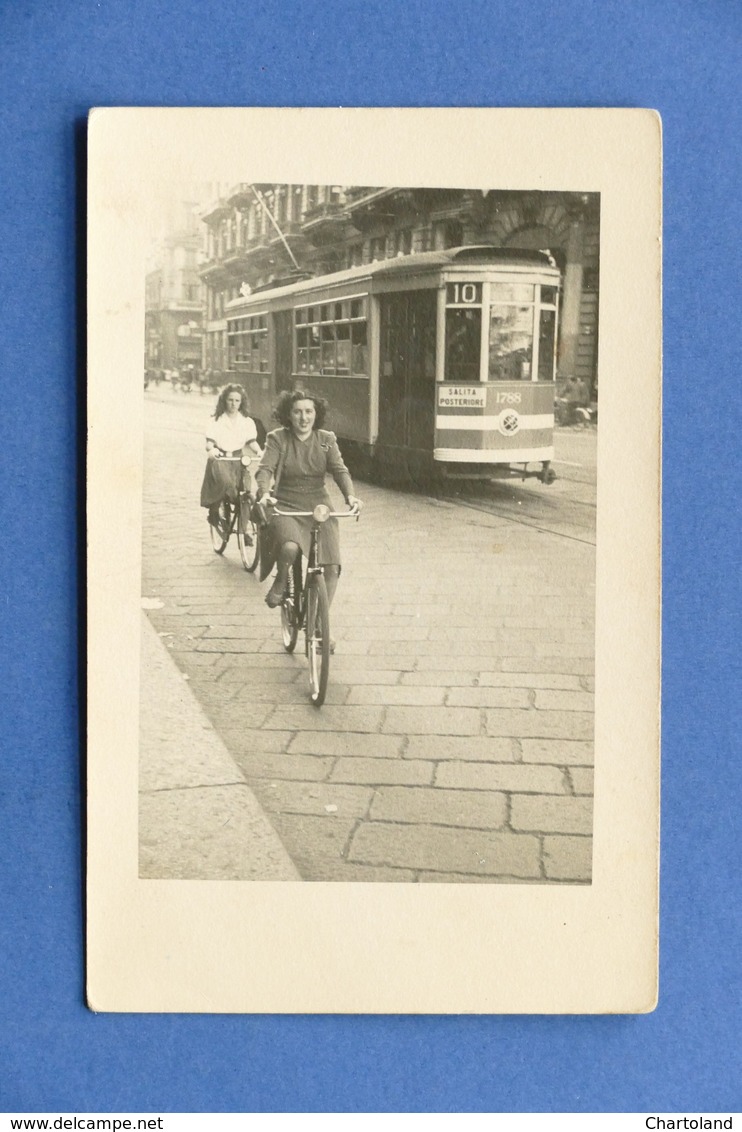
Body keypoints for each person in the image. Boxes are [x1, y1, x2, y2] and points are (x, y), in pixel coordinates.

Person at [255, 389, 362, 613]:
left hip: (319, 505)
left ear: (316, 414)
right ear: (288, 415)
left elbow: (339, 470)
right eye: (297, 412)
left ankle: (319, 624)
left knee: (331, 567)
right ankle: (281, 581)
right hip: (285, 503)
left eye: (309, 412)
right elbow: (265, 469)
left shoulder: (325, 440)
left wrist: (350, 496)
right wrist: (265, 493)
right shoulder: (278, 439)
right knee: (290, 547)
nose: (304, 418)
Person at [200, 384, 264, 535]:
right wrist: (212, 449)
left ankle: (243, 533)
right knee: (226, 483)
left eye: (237, 400)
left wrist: (259, 451)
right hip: (220, 459)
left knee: (247, 494)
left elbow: (251, 441)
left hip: (238, 459)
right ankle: (214, 511)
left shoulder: (247, 421)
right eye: (230, 400)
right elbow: (209, 442)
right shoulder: (216, 420)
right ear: (224, 401)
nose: (233, 404)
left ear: (241, 402)